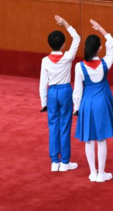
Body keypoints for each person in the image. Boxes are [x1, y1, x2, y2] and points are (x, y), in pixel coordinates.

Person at [73, 19, 113, 183]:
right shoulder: (104, 63)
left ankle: (93, 172)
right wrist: (101, 28)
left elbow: (78, 90)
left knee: (89, 139)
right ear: (100, 48)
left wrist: (76, 107)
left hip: (87, 104)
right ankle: (101, 173)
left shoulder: (79, 67)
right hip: (102, 102)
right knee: (101, 139)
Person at [39, 15, 80, 173]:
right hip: (65, 91)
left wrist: (44, 102)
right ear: (63, 45)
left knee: (53, 126)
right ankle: (65, 162)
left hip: (52, 92)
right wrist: (66, 24)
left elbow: (43, 83)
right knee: (65, 126)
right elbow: (76, 38)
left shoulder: (45, 61)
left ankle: (54, 161)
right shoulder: (68, 57)